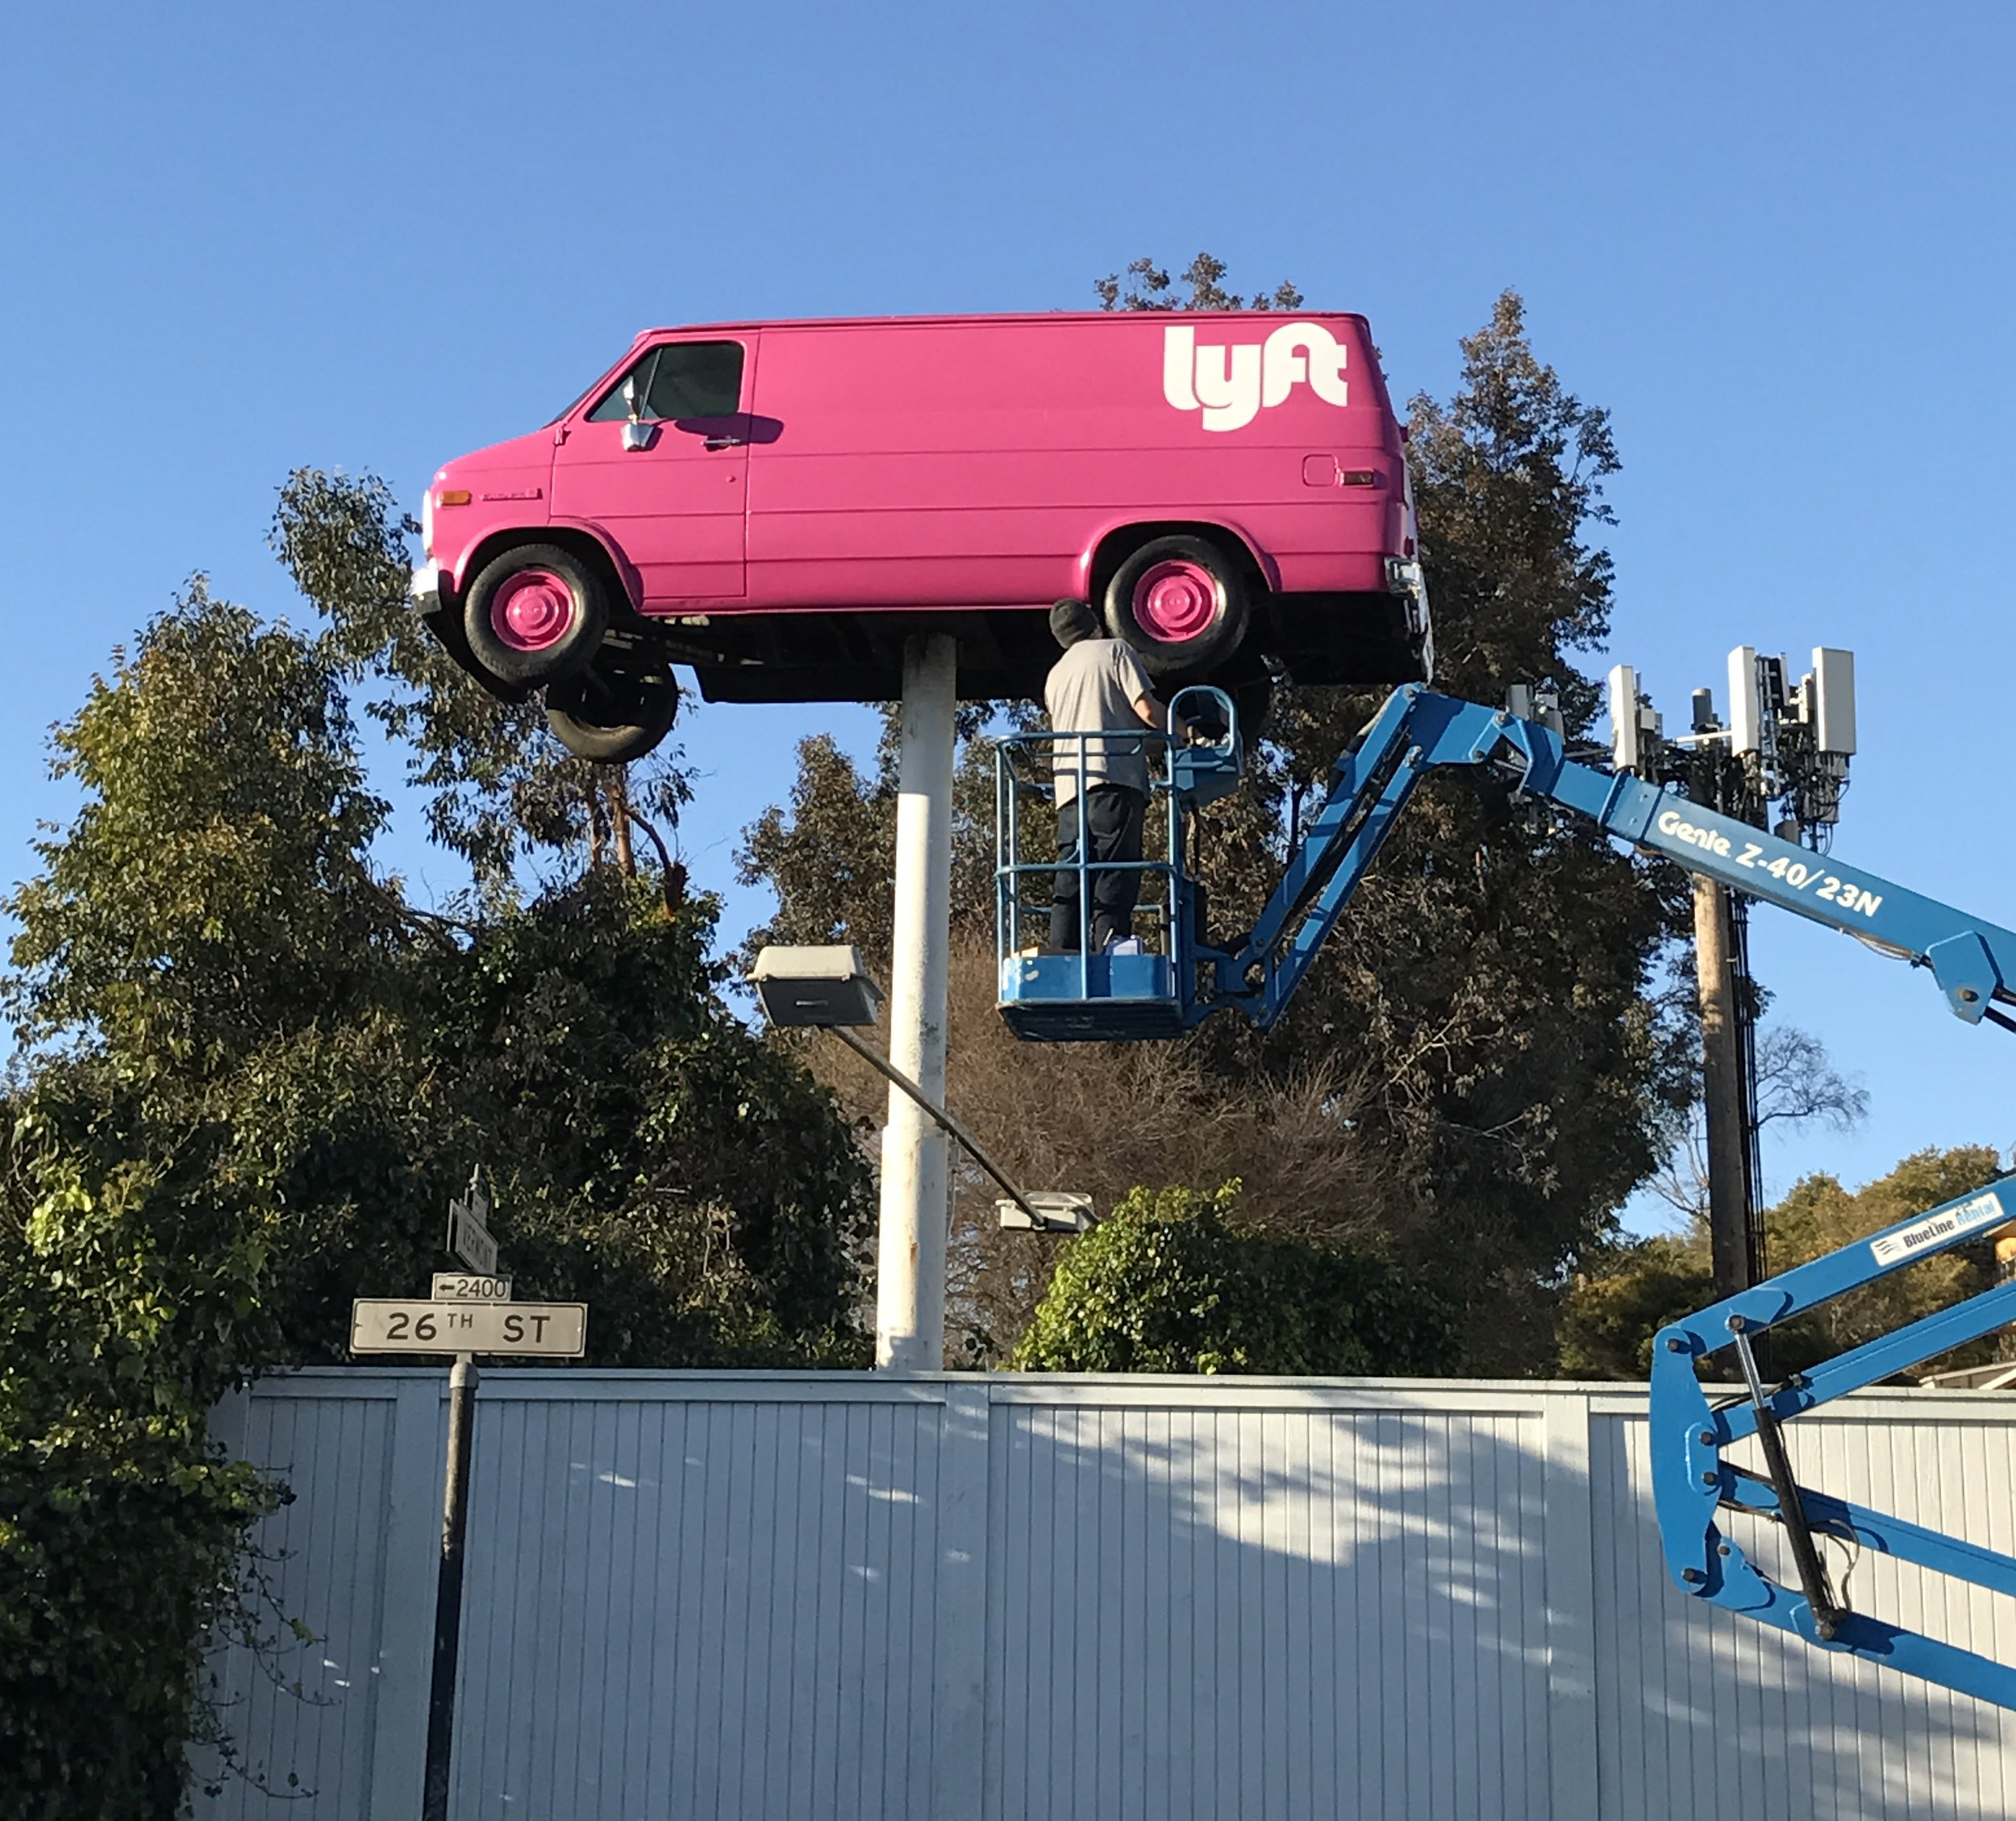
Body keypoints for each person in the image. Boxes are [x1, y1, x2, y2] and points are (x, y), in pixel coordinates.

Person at [1043, 599, 1178, 952]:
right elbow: (1146, 709)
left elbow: (1097, 721)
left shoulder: (1055, 675)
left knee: (1072, 874)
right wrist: (1184, 731)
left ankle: (1062, 952)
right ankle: (1111, 944)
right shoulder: (1115, 650)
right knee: (1116, 866)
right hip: (1114, 779)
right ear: (1095, 624)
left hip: (1070, 789)